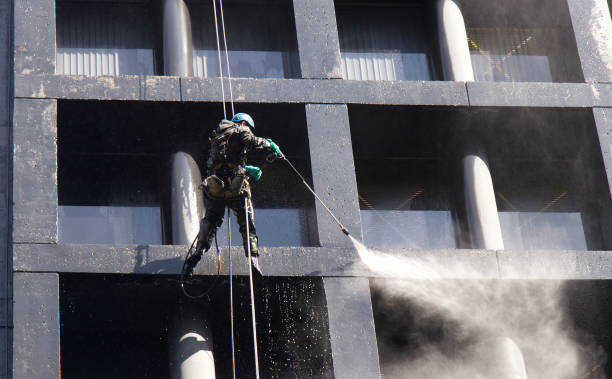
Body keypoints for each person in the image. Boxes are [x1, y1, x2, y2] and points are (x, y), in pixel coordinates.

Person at [184, 113, 283, 276]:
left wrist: (244, 168)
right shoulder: (241, 128)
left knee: (210, 220)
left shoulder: (219, 134)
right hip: (236, 187)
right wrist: (269, 144)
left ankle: (197, 253)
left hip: (215, 186)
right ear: (243, 123)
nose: (248, 129)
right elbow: (251, 141)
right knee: (247, 223)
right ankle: (253, 260)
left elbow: (219, 162)